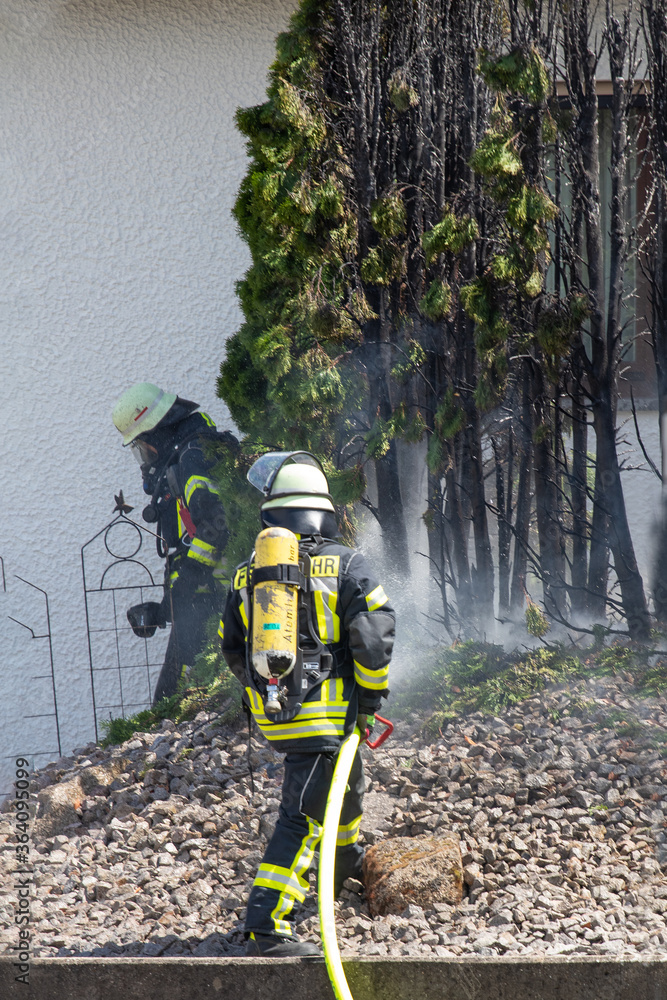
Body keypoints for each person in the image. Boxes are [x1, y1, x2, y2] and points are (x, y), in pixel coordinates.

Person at [220, 451, 395, 957]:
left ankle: (342, 869)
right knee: (302, 816)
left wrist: (268, 694)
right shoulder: (348, 563)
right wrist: (368, 699)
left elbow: (231, 646)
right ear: (322, 509)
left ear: (274, 512)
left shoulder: (245, 574)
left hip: (280, 716)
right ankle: (266, 926)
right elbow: (374, 637)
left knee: (346, 790)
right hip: (329, 717)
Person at [112, 382, 236, 704]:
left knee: (170, 702)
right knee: (171, 699)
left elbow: (215, 524)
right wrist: (165, 607)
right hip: (202, 600)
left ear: (158, 433)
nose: (145, 458)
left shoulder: (192, 459)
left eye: (143, 447)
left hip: (212, 601)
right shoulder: (187, 456)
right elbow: (192, 545)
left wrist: (187, 584)